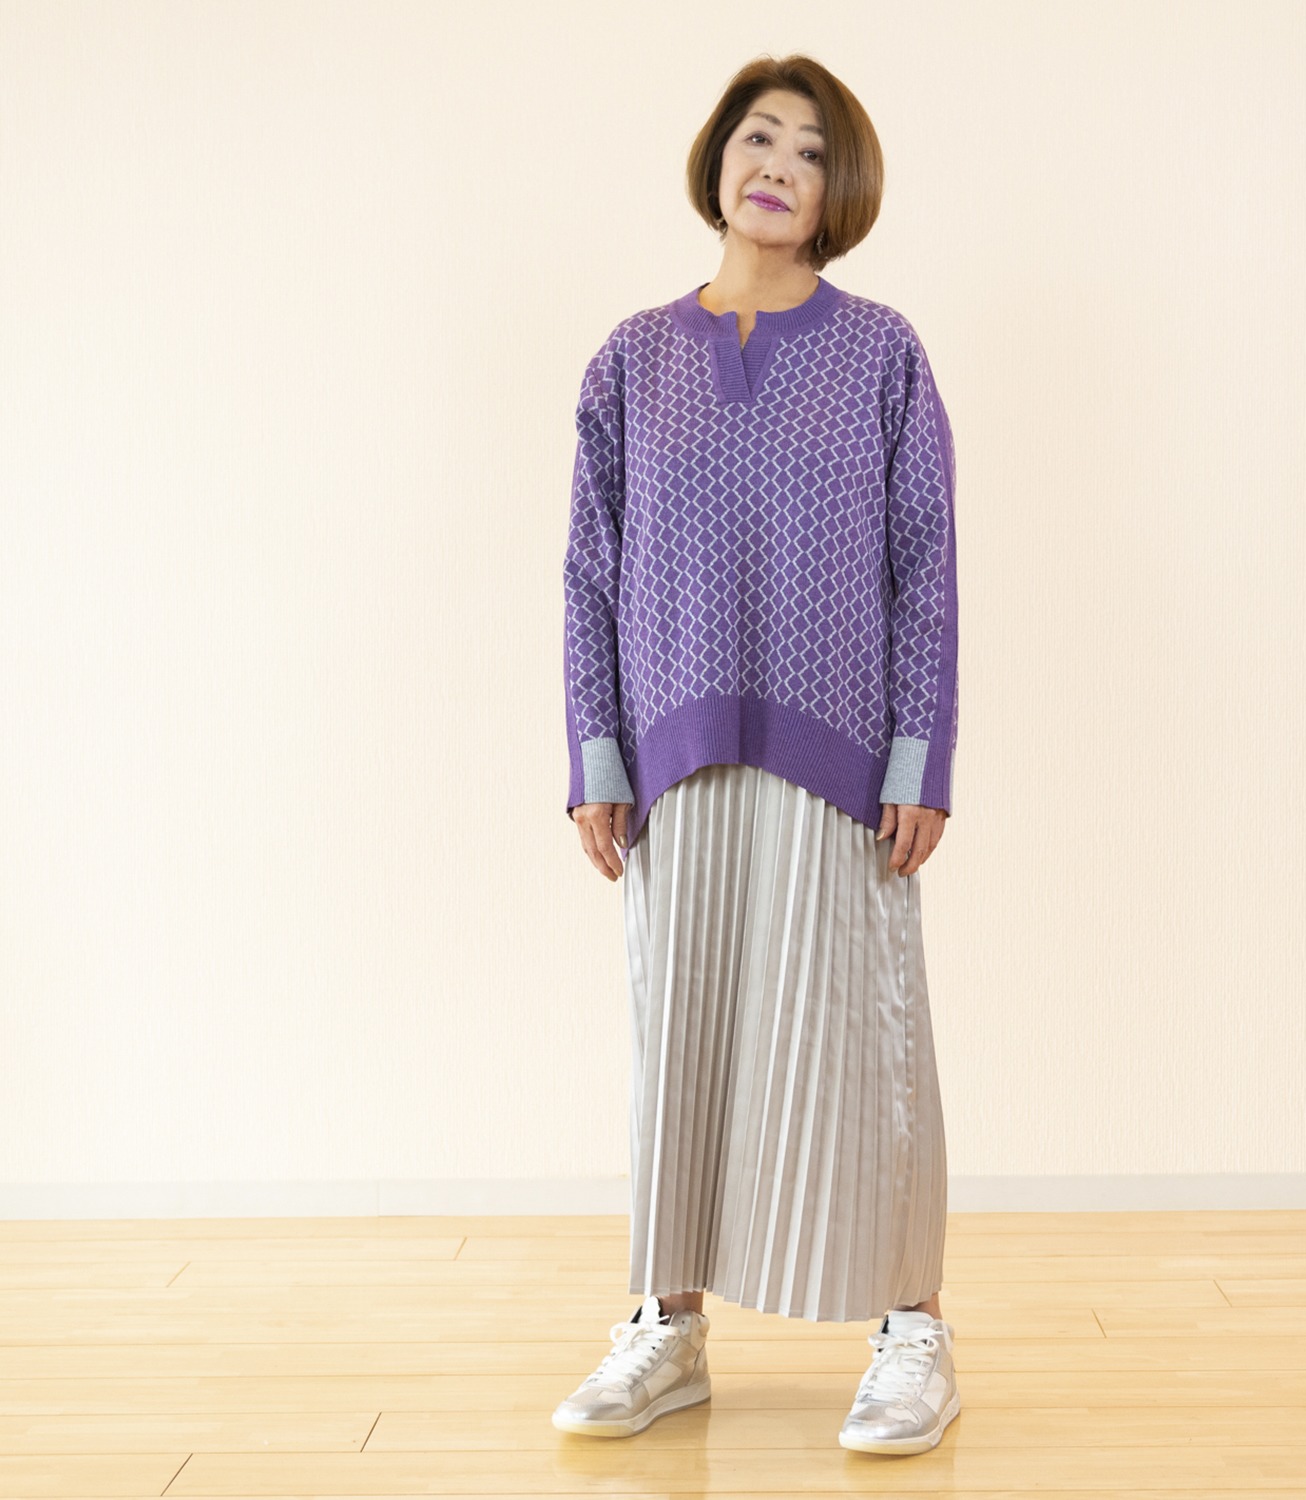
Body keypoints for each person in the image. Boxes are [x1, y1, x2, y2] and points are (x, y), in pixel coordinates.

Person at [553, 53, 961, 1457]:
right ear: (718, 160)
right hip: (671, 767)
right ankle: (666, 1328)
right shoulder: (632, 359)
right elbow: (589, 571)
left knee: (866, 1043)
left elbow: (925, 564)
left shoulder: (883, 352)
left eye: (810, 148)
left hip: (842, 762)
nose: (779, 163)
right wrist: (598, 755)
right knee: (678, 1048)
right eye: (758, 136)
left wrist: (918, 757)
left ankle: (913, 1331)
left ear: (840, 190)